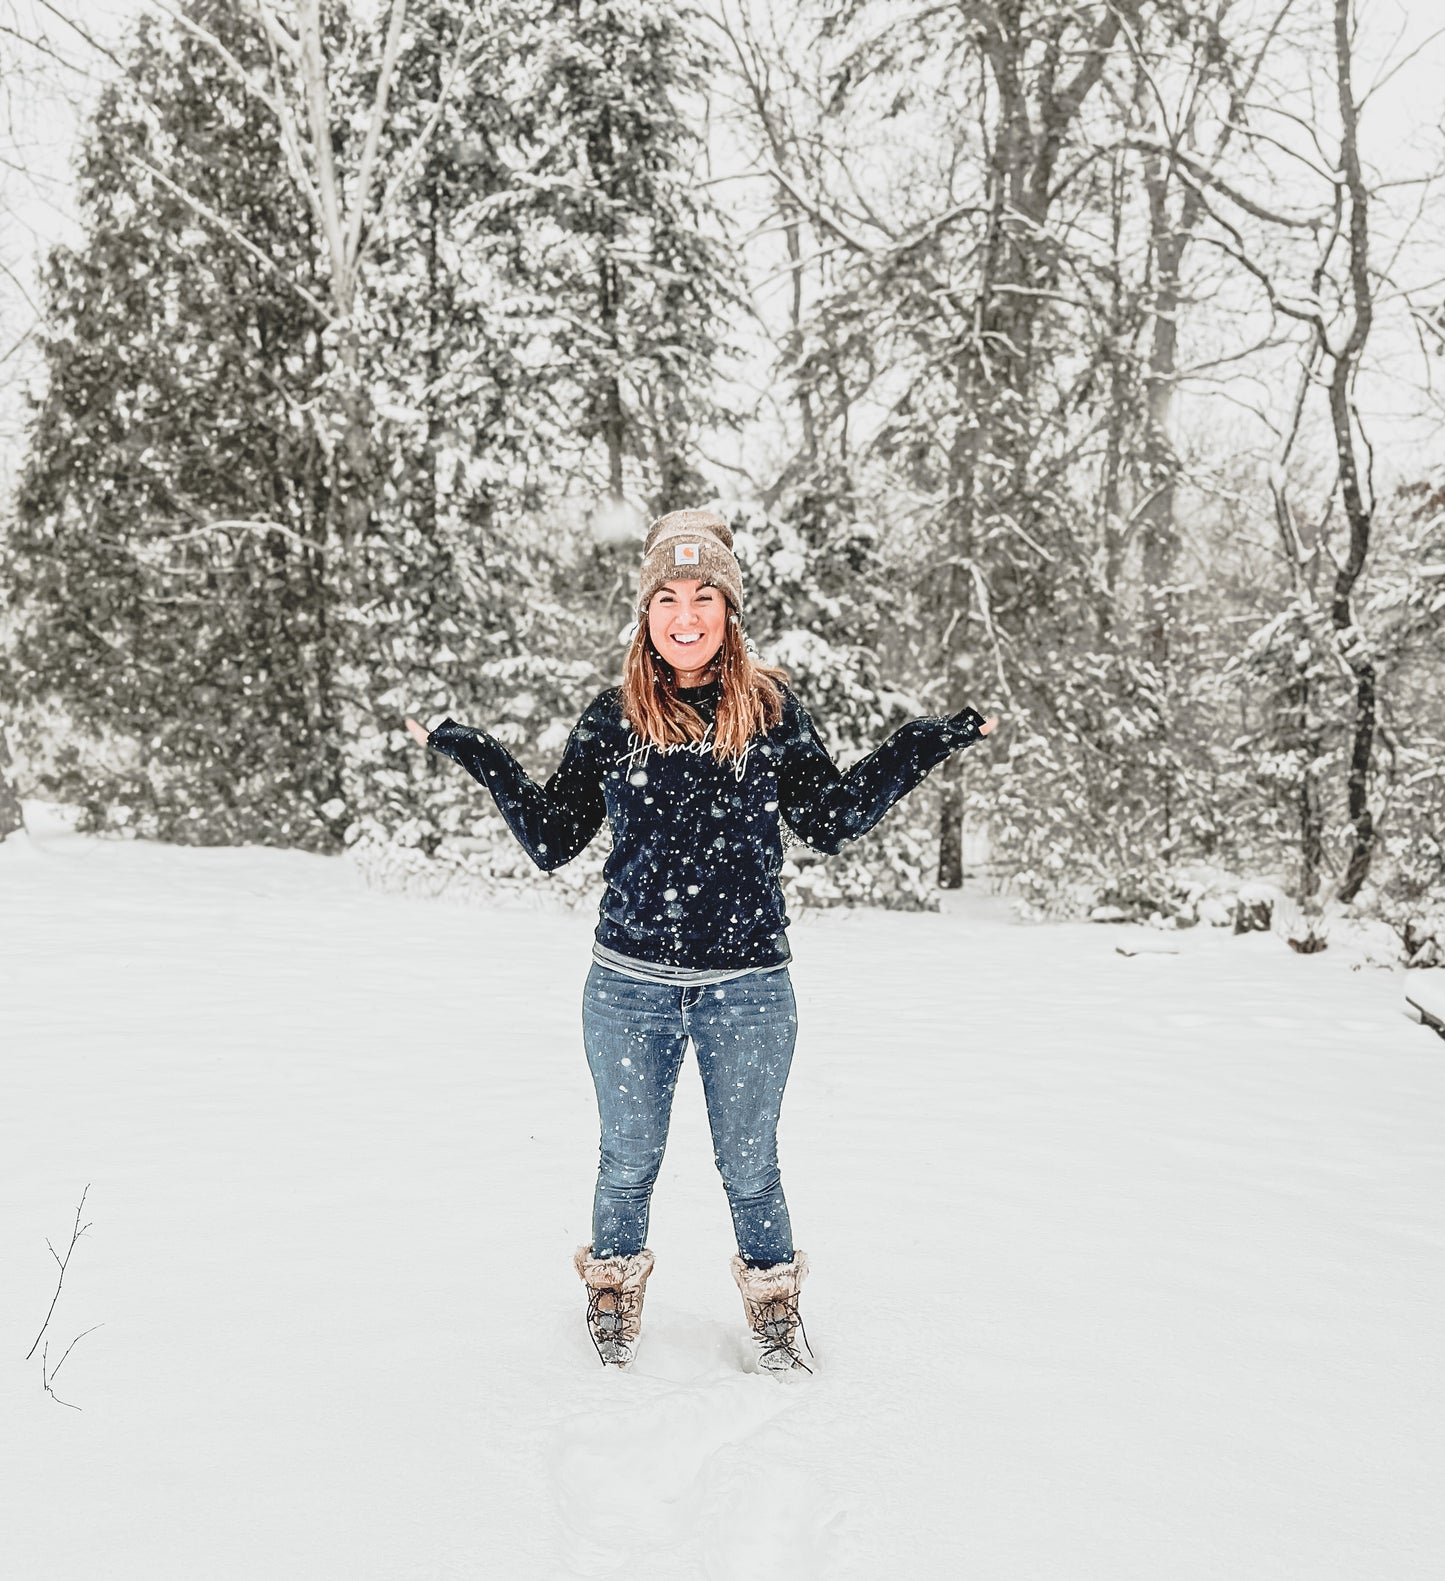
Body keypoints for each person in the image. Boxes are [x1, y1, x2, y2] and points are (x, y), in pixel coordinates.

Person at [405, 509, 997, 1372]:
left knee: (750, 1162)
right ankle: (610, 1291)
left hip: (749, 983)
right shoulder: (613, 719)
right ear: (645, 614)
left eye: (704, 596)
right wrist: (477, 751)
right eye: (668, 598)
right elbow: (550, 839)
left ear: (729, 610)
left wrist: (919, 743)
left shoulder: (769, 713)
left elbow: (829, 819)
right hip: (626, 983)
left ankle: (774, 1306)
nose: (686, 615)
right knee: (627, 1156)